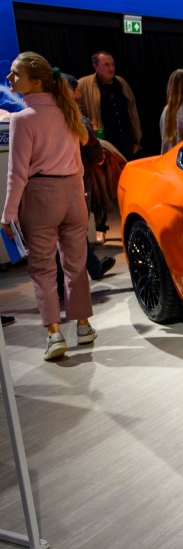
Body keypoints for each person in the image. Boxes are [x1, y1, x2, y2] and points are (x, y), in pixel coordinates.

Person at [2, 52, 98, 361]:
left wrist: (8, 213)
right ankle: (83, 325)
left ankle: (55, 334)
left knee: (42, 268)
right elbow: (77, 163)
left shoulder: (22, 119)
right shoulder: (67, 112)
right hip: (73, 193)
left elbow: (17, 172)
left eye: (15, 74)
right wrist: (79, 194)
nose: (9, 79)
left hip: (41, 196)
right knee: (76, 263)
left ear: (37, 81)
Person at [78, 51, 141, 244]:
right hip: (104, 143)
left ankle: (135, 223)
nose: (111, 68)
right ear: (95, 66)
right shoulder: (85, 85)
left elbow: (132, 110)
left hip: (125, 141)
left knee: (130, 184)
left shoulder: (121, 83)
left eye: (112, 64)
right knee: (101, 187)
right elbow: (79, 113)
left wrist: (136, 137)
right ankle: (100, 227)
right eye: (106, 64)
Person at [58, 73, 115, 285]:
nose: (80, 94)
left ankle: (89, 267)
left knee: (63, 232)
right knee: (77, 228)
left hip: (50, 186)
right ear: (70, 91)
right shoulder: (76, 120)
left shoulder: (45, 117)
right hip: (78, 182)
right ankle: (85, 271)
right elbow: (95, 153)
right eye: (76, 89)